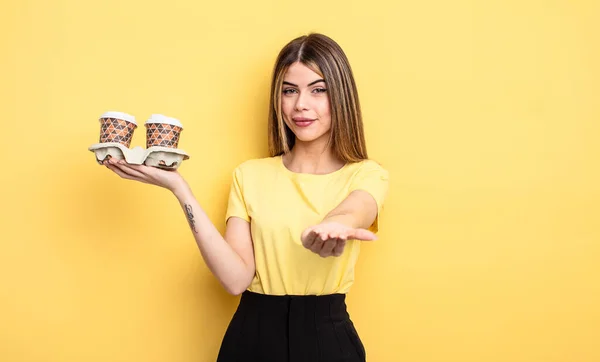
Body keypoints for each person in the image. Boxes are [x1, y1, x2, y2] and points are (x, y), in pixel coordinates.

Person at [104, 33, 389, 362]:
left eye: (318, 89)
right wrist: (180, 190)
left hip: (327, 340)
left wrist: (334, 225)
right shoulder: (249, 175)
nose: (301, 105)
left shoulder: (367, 174)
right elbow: (236, 279)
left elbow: (357, 208)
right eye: (289, 90)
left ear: (341, 94)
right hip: (252, 339)